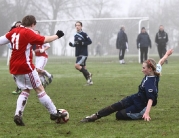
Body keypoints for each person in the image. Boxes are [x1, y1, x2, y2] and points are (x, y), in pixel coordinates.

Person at [0, 15, 66, 126]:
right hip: (25, 66)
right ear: (32, 24)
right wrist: (57, 35)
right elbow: (44, 39)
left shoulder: (14, 31)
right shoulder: (28, 32)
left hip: (13, 67)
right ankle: (54, 113)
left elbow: (1, 40)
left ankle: (18, 114)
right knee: (40, 89)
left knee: (25, 90)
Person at [80, 49, 173, 122]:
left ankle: (141, 114)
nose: (142, 70)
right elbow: (161, 62)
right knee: (117, 105)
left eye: (143, 68)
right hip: (136, 98)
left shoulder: (150, 83)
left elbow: (150, 100)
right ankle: (95, 116)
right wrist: (167, 55)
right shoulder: (155, 70)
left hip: (141, 106)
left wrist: (147, 113)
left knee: (119, 115)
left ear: (150, 69)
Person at [69, 21, 93, 85]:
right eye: (76, 25)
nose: (77, 26)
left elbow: (90, 42)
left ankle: (88, 74)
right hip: (78, 53)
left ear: (81, 26)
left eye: (78, 25)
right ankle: (89, 81)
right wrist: (72, 45)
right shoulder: (75, 35)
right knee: (83, 68)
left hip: (83, 53)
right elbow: (77, 44)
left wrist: (82, 43)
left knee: (77, 66)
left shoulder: (84, 34)